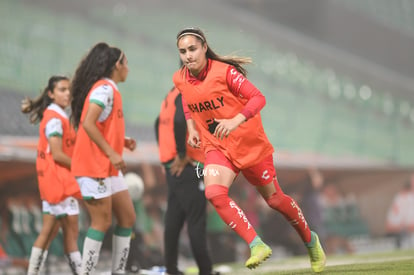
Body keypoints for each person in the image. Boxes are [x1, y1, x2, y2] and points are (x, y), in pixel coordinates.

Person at [172, 27, 326, 273]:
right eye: (183, 51)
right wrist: (191, 128)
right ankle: (256, 245)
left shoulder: (225, 72)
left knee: (275, 199)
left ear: (203, 48)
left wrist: (235, 120)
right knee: (214, 193)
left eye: (192, 49)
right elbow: (186, 98)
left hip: (249, 143)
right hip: (217, 146)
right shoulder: (180, 78)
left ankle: (311, 241)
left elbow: (258, 97)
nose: (188, 55)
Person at [70, 42, 137, 275]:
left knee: (127, 217)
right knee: (101, 222)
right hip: (92, 166)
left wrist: (122, 141)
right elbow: (88, 123)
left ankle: (118, 271)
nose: (128, 68)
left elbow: (102, 125)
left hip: (106, 167)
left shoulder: (110, 90)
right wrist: (111, 151)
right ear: (117, 65)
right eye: (126, 63)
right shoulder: (104, 89)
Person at [21, 75, 82, 274]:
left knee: (51, 232)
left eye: (69, 90)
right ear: (51, 93)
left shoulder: (56, 116)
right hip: (60, 183)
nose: (67, 94)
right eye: (62, 90)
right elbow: (57, 154)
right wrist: (83, 168)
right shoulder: (55, 119)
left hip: (54, 182)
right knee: (69, 232)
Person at [155, 84, 216, 275]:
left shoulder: (171, 93)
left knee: (174, 218)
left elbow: (158, 123)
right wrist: (181, 154)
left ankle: (171, 269)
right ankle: (206, 271)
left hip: (172, 166)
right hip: (187, 166)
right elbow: (181, 120)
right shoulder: (185, 92)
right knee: (196, 219)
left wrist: (167, 155)